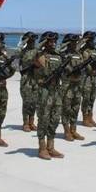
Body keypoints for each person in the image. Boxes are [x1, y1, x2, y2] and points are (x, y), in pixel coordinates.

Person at [33, 31, 65, 160]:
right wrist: (41, 44)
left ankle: (51, 146)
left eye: (54, 41)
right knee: (43, 119)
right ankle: (42, 148)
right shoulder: (39, 55)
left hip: (56, 90)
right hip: (44, 91)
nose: (52, 44)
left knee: (55, 119)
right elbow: (31, 55)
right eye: (49, 41)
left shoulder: (58, 56)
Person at [59, 34, 86, 141]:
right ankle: (66, 131)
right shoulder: (63, 55)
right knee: (66, 109)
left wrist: (79, 74)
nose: (75, 44)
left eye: (76, 42)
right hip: (67, 85)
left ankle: (73, 130)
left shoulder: (78, 54)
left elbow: (83, 67)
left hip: (77, 85)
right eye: (72, 42)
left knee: (75, 108)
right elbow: (64, 69)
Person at [79, 31, 96, 127]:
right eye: (91, 39)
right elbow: (84, 63)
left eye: (93, 39)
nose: (93, 41)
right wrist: (82, 40)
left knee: (92, 97)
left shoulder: (95, 50)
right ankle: (85, 118)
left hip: (95, 76)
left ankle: (90, 116)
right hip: (86, 77)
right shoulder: (83, 50)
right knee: (86, 98)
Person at [18, 32, 39, 132]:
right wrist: (24, 41)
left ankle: (31, 122)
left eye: (33, 41)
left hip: (35, 79)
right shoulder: (23, 51)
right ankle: (25, 123)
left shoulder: (37, 51)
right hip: (26, 79)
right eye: (30, 41)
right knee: (26, 102)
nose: (32, 42)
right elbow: (15, 54)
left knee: (34, 102)